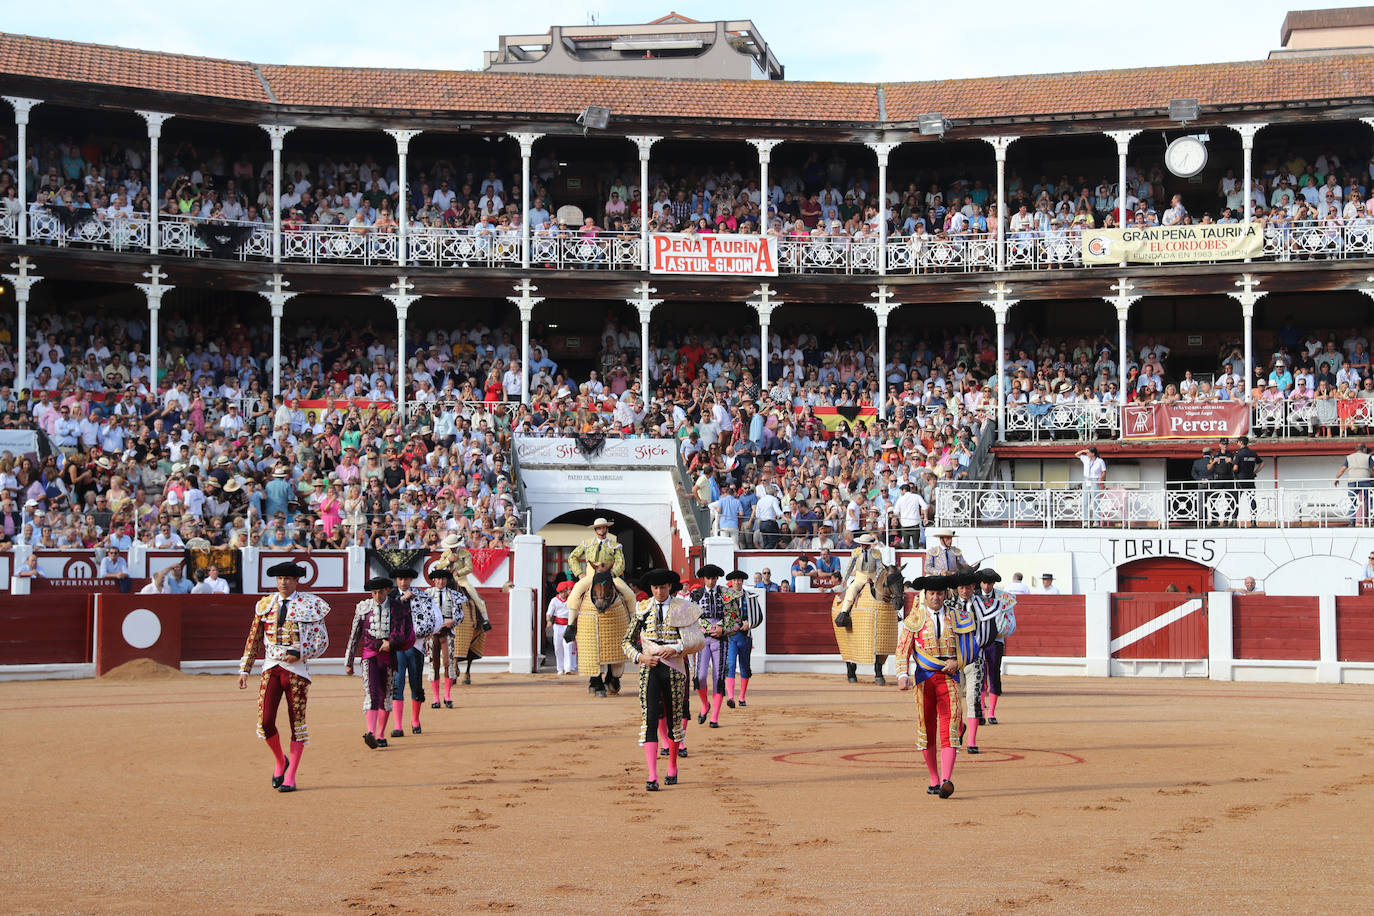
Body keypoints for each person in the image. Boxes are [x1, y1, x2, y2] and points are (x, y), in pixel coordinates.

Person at [237, 560, 332, 791]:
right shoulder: (265, 605)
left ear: (296, 581)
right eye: (280, 579)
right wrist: (245, 668)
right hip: (271, 666)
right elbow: (254, 638)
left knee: (296, 723)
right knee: (265, 721)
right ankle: (281, 760)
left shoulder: (309, 604)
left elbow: (322, 641)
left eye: (288, 578)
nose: (283, 582)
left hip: (296, 670)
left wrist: (300, 652)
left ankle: (291, 775)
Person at [622, 568, 704, 792]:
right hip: (650, 669)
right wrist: (640, 656)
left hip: (675, 669)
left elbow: (698, 639)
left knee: (674, 720)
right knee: (649, 719)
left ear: (670, 587)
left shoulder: (683, 608)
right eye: (655, 588)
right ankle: (651, 775)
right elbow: (626, 642)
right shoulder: (642, 609)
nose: (659, 591)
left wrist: (676, 647)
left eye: (663, 587)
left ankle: (672, 765)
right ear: (651, 588)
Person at [896, 574, 977, 799]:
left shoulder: (958, 617)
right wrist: (902, 673)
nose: (935, 597)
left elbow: (972, 648)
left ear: (945, 595)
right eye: (931, 593)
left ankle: (946, 780)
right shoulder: (915, 619)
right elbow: (903, 649)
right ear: (925, 595)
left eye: (939, 593)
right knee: (927, 729)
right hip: (923, 679)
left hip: (949, 678)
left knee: (950, 728)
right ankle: (934, 779)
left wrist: (957, 662)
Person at [344, 575, 413, 749]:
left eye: (380, 592)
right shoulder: (363, 608)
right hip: (370, 655)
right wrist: (349, 661)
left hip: (390, 656)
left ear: (387, 591)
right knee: (372, 694)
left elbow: (404, 633)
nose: (376, 596)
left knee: (386, 695)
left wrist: (391, 643)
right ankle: (371, 733)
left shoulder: (398, 608)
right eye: (373, 592)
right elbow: (355, 635)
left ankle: (381, 735)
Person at [565, 570, 635, 697]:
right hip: (591, 575)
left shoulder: (616, 548)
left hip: (611, 576)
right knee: (575, 594)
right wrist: (580, 573)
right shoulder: (585, 548)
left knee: (630, 595)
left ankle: (634, 623)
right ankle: (570, 624)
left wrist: (614, 571)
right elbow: (573, 558)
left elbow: (620, 561)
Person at [689, 564, 738, 728]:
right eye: (708, 578)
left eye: (713, 578)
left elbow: (735, 618)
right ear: (703, 579)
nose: (710, 581)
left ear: (717, 578)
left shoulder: (727, 594)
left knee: (719, 678)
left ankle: (715, 717)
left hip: (720, 640)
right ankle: (705, 705)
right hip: (703, 639)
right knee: (700, 676)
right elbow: (691, 617)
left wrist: (723, 627)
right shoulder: (695, 595)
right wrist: (708, 627)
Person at [389, 567, 433, 737]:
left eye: (406, 579)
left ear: (411, 580)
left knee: (416, 683)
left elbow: (431, 617)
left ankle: (415, 720)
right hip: (398, 647)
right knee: (397, 683)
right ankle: (398, 725)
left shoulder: (422, 595)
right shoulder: (391, 596)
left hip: (416, 646)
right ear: (396, 580)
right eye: (400, 579)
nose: (403, 582)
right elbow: (387, 614)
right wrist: (401, 600)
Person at [971, 567, 1016, 730]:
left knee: (994, 674)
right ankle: (981, 712)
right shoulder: (973, 598)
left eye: (990, 583)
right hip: (979, 642)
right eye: (984, 583)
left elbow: (1009, 622)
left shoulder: (1003, 598)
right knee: (980, 674)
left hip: (996, 641)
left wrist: (1001, 631)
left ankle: (991, 712)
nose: (987, 587)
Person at [434, 532, 491, 640]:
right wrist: (448, 561)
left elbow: (469, 568)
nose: (452, 548)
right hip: (446, 581)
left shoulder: (465, 553)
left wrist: (458, 573)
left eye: (453, 546)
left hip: (461, 580)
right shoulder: (445, 554)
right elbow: (439, 566)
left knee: (475, 596)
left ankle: (485, 619)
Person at [425, 568, 467, 708]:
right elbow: (422, 614)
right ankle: (436, 699)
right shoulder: (427, 594)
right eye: (438, 579)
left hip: (447, 632)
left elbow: (460, 615)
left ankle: (447, 696)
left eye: (443, 579)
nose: (440, 581)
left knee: (448, 664)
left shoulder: (454, 595)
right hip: (433, 634)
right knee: (434, 664)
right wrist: (430, 626)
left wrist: (453, 621)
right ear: (434, 580)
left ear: (447, 580)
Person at [723, 569, 758, 707]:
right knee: (730, 665)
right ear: (731, 582)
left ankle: (742, 697)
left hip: (745, 636)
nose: (737, 582)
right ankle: (731, 697)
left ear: (742, 582)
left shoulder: (750, 596)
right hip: (731, 637)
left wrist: (749, 623)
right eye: (735, 580)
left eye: (739, 580)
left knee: (744, 667)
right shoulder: (725, 597)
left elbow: (758, 616)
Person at [835, 533, 882, 621]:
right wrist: (845, 579)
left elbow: (880, 568)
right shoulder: (856, 552)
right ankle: (844, 613)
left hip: (873, 578)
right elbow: (850, 566)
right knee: (851, 590)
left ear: (868, 544)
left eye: (864, 544)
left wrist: (879, 579)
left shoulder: (876, 553)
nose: (862, 545)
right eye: (861, 543)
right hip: (859, 579)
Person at [1334, 442, 1373, 525]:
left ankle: (1352, 521)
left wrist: (1336, 478)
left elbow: (1342, 469)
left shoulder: (1349, 457)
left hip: (1353, 481)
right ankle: (1372, 519)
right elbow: (1373, 468)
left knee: (1352, 501)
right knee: (1368, 500)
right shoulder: (1367, 457)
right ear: (1364, 449)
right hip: (1365, 480)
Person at [546, 578, 577, 675]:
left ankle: (568, 668)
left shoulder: (571, 600)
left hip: (568, 625)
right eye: (562, 592)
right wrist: (548, 621)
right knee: (558, 647)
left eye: (565, 591)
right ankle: (560, 667)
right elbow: (549, 613)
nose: (564, 594)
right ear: (559, 592)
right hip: (558, 625)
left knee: (568, 646)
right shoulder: (554, 601)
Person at [1232, 436, 1262, 527]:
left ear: (1241, 442)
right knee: (1252, 500)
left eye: (1237, 442)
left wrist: (1232, 469)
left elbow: (1235, 468)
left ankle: (1234, 520)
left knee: (1236, 500)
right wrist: (1255, 472)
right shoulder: (1252, 453)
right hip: (1250, 479)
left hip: (1240, 479)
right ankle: (1253, 520)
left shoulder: (1239, 454)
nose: (1236, 443)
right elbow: (1262, 463)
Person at [1075, 446, 1105, 525]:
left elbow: (1104, 471)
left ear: (1093, 453)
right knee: (1085, 501)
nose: (1087, 453)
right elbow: (1076, 454)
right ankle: (1085, 520)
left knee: (1095, 500)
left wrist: (1100, 479)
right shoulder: (1085, 458)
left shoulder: (1100, 461)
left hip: (1095, 480)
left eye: (1088, 452)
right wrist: (1083, 450)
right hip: (1086, 480)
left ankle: (1096, 520)